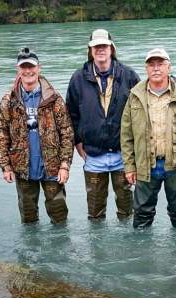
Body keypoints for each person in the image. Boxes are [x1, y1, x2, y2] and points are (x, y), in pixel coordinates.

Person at [66, 29, 141, 221]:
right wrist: (77, 142)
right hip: (93, 156)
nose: (100, 50)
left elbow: (141, 112)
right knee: (95, 215)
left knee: (127, 213)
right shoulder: (78, 78)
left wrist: (135, 149)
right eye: (96, 46)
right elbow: (71, 114)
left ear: (111, 48)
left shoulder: (129, 75)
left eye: (104, 46)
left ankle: (128, 249)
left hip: (123, 155)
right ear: (90, 50)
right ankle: (98, 251)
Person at [120, 48, 176, 229]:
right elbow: (126, 134)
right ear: (146, 69)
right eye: (151, 64)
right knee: (142, 214)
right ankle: (142, 253)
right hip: (146, 165)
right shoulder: (134, 96)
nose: (156, 68)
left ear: (169, 67)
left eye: (160, 64)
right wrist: (129, 166)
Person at [0, 48, 74, 225]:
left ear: (39, 68)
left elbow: (67, 133)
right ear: (18, 69)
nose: (28, 71)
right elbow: (2, 134)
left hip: (52, 168)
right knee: (28, 219)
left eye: (31, 66)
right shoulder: (8, 101)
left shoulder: (54, 99)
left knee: (59, 218)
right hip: (23, 169)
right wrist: (5, 166)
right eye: (24, 67)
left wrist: (65, 166)